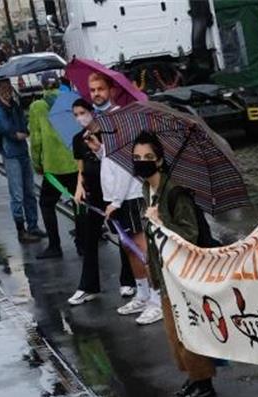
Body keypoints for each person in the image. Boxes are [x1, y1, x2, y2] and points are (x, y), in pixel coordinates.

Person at [133, 130, 218, 397]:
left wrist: (160, 223)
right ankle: (194, 378)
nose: (141, 162)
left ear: (160, 161)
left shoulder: (175, 193)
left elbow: (189, 234)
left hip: (183, 276)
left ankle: (204, 384)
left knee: (188, 332)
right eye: (136, 157)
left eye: (147, 157)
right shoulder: (147, 189)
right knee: (174, 334)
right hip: (165, 274)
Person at [89, 71, 160, 324]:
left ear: (111, 90)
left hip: (128, 196)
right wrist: (99, 152)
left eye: (100, 89)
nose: (96, 93)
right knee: (129, 249)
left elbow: (128, 166)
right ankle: (141, 294)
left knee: (142, 248)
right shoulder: (103, 121)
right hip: (116, 196)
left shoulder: (120, 120)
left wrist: (116, 201)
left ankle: (156, 298)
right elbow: (112, 160)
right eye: (92, 89)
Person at [68, 103, 136, 304]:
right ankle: (87, 286)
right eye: (76, 115)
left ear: (92, 113)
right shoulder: (77, 139)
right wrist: (79, 188)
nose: (80, 117)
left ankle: (128, 280)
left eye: (83, 113)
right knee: (89, 238)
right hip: (92, 193)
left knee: (124, 236)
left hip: (112, 192)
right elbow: (80, 167)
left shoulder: (108, 134)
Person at [29, 72, 79, 258]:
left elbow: (35, 139)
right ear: (59, 84)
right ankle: (83, 242)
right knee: (78, 202)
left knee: (47, 204)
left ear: (42, 85)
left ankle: (55, 246)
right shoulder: (71, 100)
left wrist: (37, 163)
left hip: (53, 166)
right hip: (74, 162)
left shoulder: (37, 107)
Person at [0, 80, 43, 242]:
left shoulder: (15, 106)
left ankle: (33, 225)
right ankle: (21, 231)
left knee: (29, 191)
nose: (8, 92)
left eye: (9, 88)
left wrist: (25, 129)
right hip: (10, 153)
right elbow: (3, 127)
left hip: (21, 151)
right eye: (4, 89)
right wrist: (16, 134)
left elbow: (23, 123)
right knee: (17, 194)